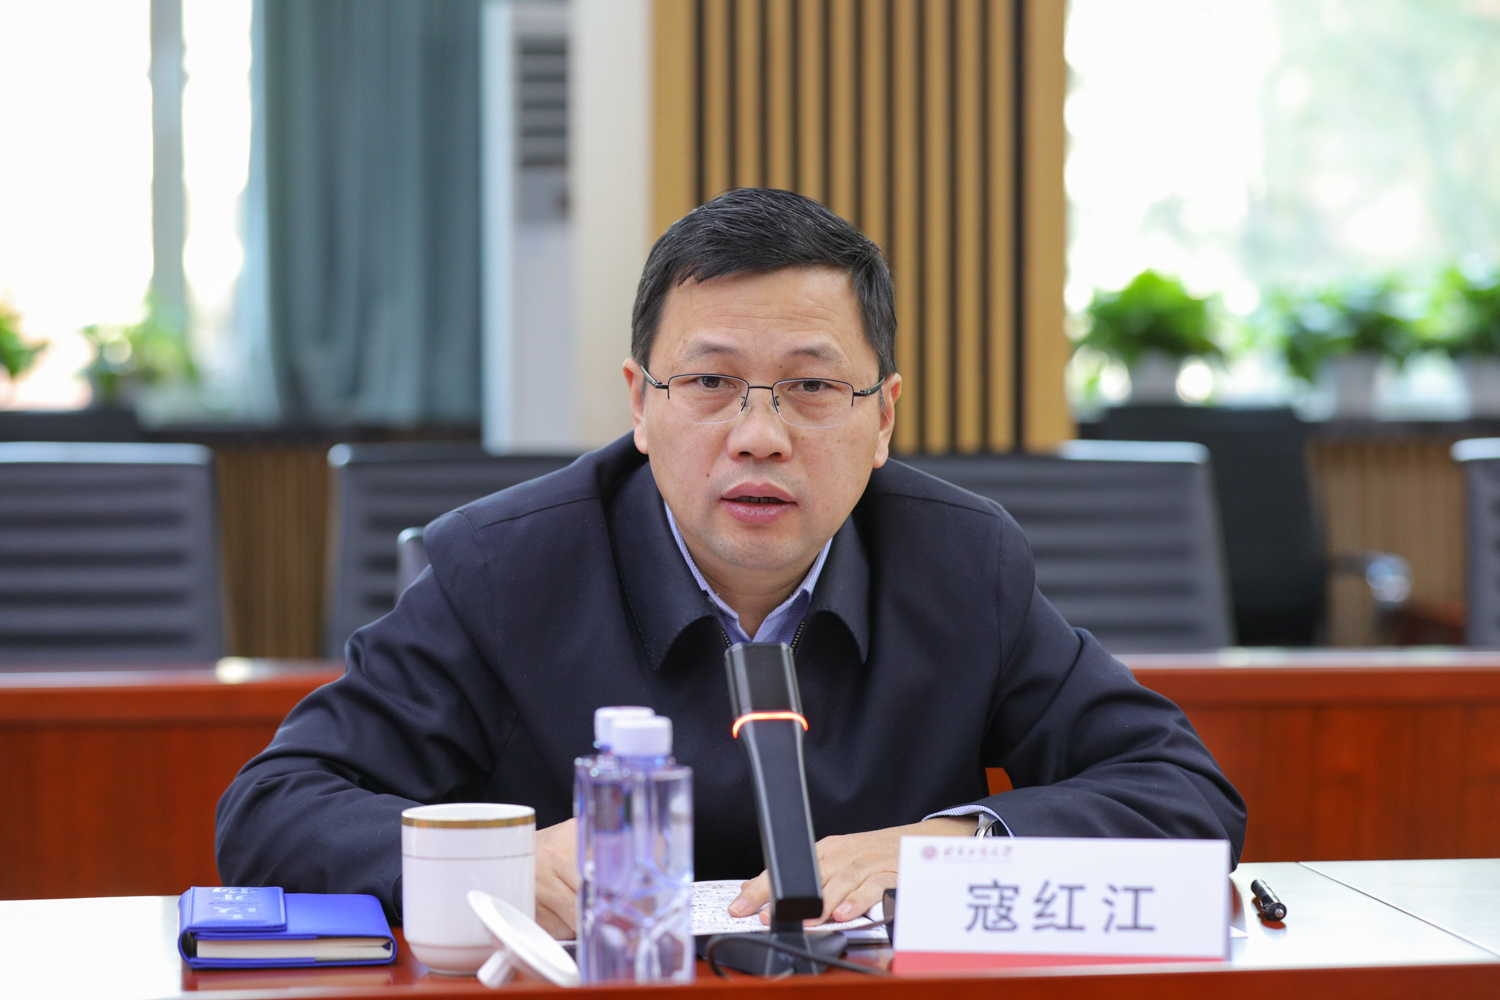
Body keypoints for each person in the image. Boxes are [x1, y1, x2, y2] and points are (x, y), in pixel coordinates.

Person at [217, 188, 1245, 937]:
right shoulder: (504, 569)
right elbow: (274, 809)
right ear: (640, 403)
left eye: (811, 388)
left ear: (883, 417)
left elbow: (1183, 795)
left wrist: (953, 845)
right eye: (710, 382)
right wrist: (497, 861)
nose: (759, 436)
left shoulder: (960, 564)